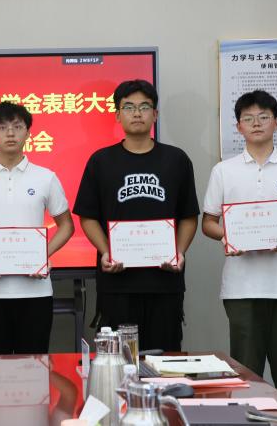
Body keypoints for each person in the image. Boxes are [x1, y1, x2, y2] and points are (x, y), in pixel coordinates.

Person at [201, 90, 277, 406]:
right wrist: (229, 237)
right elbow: (208, 223)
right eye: (248, 118)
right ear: (238, 127)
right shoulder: (223, 171)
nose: (256, 123)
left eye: (264, 117)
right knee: (245, 379)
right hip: (241, 288)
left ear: (276, 123)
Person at [73, 79, 199, 352]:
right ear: (118, 115)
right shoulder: (101, 161)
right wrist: (106, 251)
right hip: (117, 283)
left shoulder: (176, 159)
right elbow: (88, 217)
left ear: (155, 114)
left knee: (165, 359)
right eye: (129, 107)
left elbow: (189, 216)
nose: (137, 113)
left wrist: (179, 252)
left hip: (165, 282)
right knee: (119, 360)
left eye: (144, 107)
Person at [0, 101, 75, 355]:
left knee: (34, 363)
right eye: (2, 127)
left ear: (28, 133)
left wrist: (43, 255)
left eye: (17, 127)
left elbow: (66, 225)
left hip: (36, 290)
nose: (10, 133)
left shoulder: (46, 177)